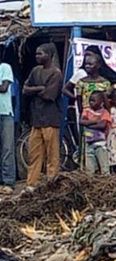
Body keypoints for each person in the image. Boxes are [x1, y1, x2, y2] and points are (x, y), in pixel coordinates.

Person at [23, 43, 63, 187]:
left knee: (52, 155)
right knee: (34, 154)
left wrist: (34, 90)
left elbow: (49, 95)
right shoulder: (35, 70)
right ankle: (31, 184)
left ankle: (51, 182)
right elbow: (24, 89)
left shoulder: (56, 73)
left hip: (50, 119)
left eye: (40, 54)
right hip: (37, 119)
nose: (37, 56)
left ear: (49, 55)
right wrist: (40, 88)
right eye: (36, 54)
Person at [79, 92, 112, 175]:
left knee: (104, 166)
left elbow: (102, 125)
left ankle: (107, 182)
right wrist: (95, 121)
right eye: (90, 100)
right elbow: (81, 121)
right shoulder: (86, 110)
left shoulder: (104, 112)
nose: (91, 102)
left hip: (100, 143)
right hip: (88, 143)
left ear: (101, 102)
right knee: (89, 168)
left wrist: (88, 124)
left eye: (93, 101)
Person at [0, 59, 13, 194]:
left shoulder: (5, 67)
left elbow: (4, 88)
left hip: (5, 113)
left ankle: (8, 181)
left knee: (7, 148)